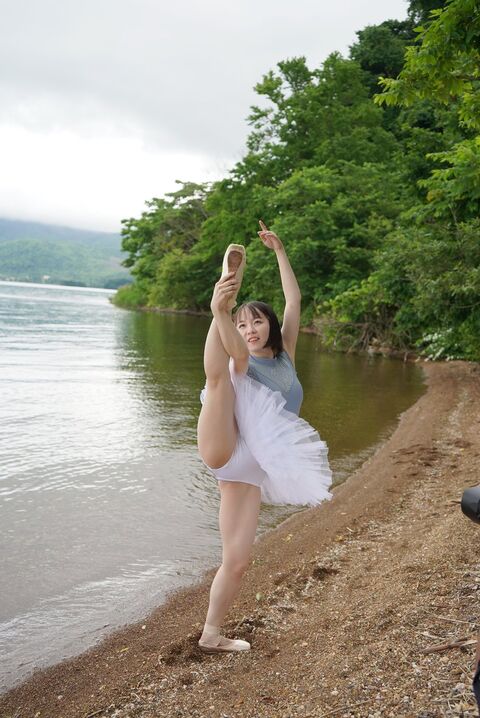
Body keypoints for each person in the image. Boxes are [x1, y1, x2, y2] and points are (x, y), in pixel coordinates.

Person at [196, 220, 332, 653]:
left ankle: (211, 634)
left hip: (250, 471)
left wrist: (280, 251)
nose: (251, 329)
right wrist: (222, 313)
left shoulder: (286, 355)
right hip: (225, 445)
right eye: (242, 324)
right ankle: (221, 295)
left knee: (237, 562)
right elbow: (235, 351)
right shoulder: (244, 358)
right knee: (220, 377)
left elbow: (294, 300)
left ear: (269, 325)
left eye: (256, 322)